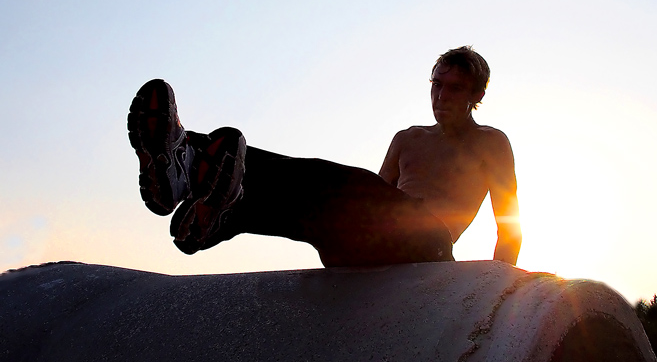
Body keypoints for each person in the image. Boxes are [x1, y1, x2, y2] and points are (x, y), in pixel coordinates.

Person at [128, 46, 521, 268]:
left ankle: (200, 169)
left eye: (455, 88)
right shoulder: (408, 138)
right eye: (437, 85)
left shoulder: (491, 144)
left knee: (341, 180)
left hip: (430, 248)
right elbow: (367, 199)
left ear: (477, 97)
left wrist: (494, 296)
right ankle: (192, 174)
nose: (442, 96)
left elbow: (509, 226)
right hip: (373, 244)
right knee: (315, 205)